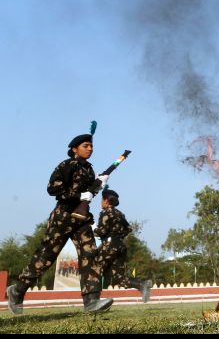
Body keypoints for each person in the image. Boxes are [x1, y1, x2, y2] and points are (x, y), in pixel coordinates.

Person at [6, 124, 113, 314]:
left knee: (90, 255)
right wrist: (78, 195)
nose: (90, 148)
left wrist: (98, 183)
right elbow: (53, 188)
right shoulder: (67, 165)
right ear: (74, 149)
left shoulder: (88, 169)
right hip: (63, 217)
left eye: (91, 146)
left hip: (82, 219)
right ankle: (17, 290)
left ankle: (91, 301)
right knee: (46, 257)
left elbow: (88, 194)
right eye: (86, 146)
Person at [94, 189, 152, 302]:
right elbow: (129, 228)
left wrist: (93, 229)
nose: (101, 202)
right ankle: (142, 284)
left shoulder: (105, 213)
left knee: (94, 270)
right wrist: (119, 237)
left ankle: (92, 300)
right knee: (119, 278)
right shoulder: (120, 214)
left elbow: (102, 231)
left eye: (102, 200)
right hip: (120, 246)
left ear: (106, 201)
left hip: (109, 245)